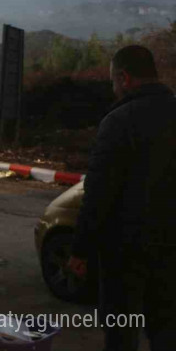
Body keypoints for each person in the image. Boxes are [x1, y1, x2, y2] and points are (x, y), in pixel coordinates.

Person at [68, 45, 176, 351]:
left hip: (126, 252)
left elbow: (98, 193)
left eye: (113, 81)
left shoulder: (118, 121)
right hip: (172, 250)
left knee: (121, 333)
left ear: (125, 78)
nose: (113, 88)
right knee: (166, 331)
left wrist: (80, 249)